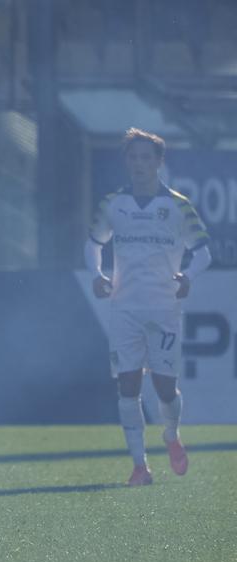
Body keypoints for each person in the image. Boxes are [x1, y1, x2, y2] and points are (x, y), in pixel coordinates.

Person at [86, 127, 212, 486]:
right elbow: (93, 243)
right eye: (133, 157)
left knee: (164, 387)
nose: (139, 163)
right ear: (126, 162)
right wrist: (96, 274)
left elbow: (203, 253)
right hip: (124, 307)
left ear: (159, 162)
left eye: (146, 157)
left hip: (163, 309)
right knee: (127, 385)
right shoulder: (113, 203)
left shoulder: (178, 205)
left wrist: (187, 276)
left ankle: (171, 435)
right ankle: (140, 467)